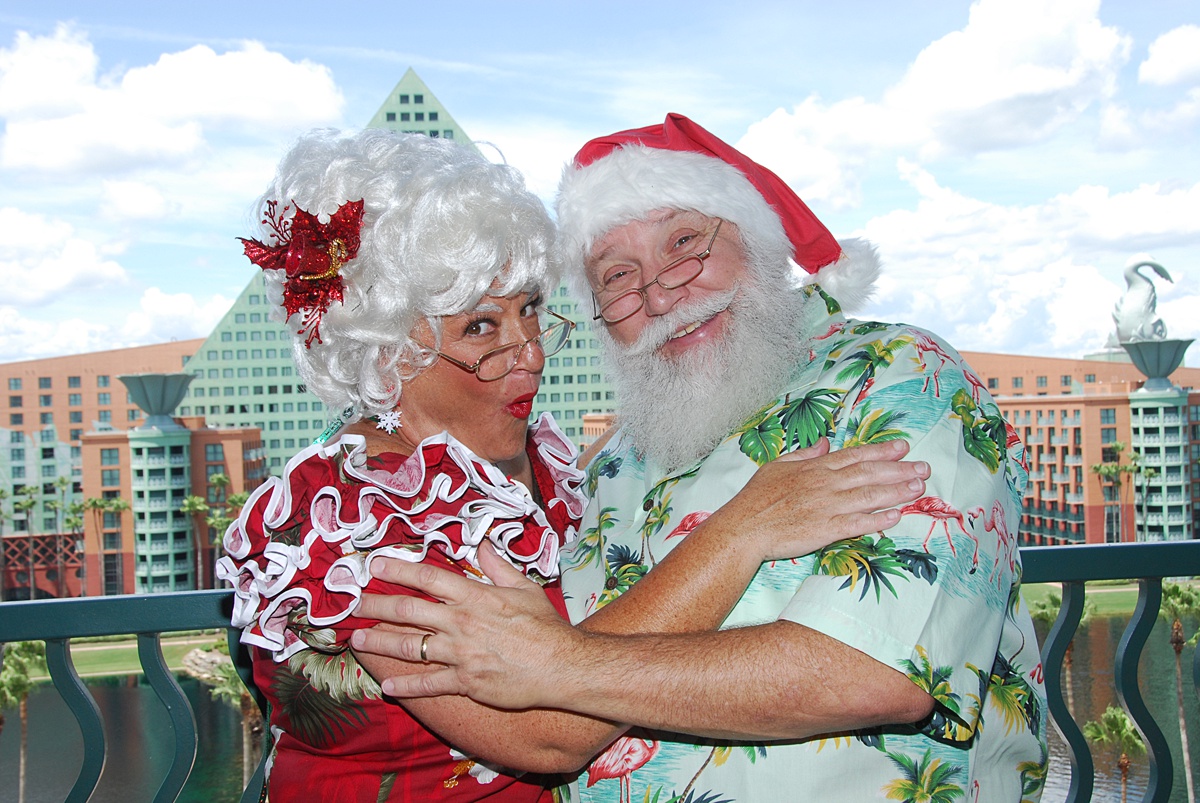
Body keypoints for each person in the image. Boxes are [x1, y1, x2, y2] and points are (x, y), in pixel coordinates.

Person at [217, 127, 931, 802]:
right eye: (482, 327)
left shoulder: (546, 463)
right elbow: (546, 733)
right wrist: (743, 529)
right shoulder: (341, 523)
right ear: (388, 353)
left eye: (530, 310)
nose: (530, 350)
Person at [351, 114, 1049, 802]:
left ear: (758, 240)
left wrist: (559, 662)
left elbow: (874, 669)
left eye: (683, 241)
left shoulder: (898, 376)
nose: (659, 292)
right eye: (618, 275)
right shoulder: (606, 466)